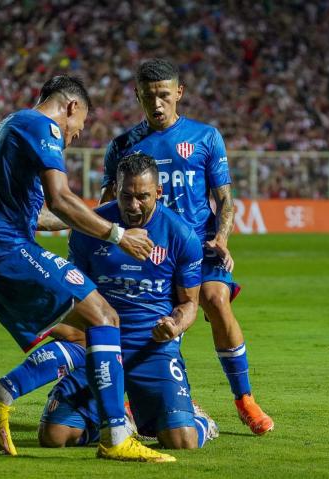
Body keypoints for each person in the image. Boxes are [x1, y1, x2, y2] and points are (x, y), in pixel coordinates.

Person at [0, 75, 175, 463]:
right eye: (80, 127)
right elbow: (60, 198)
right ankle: (116, 436)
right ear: (72, 107)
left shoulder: (6, 128)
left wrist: (84, 220)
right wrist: (117, 234)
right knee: (106, 316)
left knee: (82, 336)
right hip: (7, 251)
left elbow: (39, 215)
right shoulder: (40, 125)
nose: (75, 136)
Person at [99, 59, 274, 435]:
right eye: (149, 97)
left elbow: (224, 199)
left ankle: (244, 399)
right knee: (139, 317)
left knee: (214, 298)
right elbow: (107, 204)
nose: (157, 103)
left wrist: (222, 238)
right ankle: (140, 399)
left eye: (164, 95)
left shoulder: (205, 137)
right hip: (148, 250)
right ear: (138, 97)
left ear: (179, 92)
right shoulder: (122, 146)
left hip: (199, 247)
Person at [36, 152, 218, 449]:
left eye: (143, 197)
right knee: (54, 436)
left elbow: (189, 304)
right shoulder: (90, 228)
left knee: (181, 440)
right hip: (99, 344)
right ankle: (120, 423)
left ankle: (201, 422)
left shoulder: (180, 235)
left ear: (159, 192)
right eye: (126, 196)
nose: (133, 206)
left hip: (152, 347)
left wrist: (174, 326)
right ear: (116, 190)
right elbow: (76, 293)